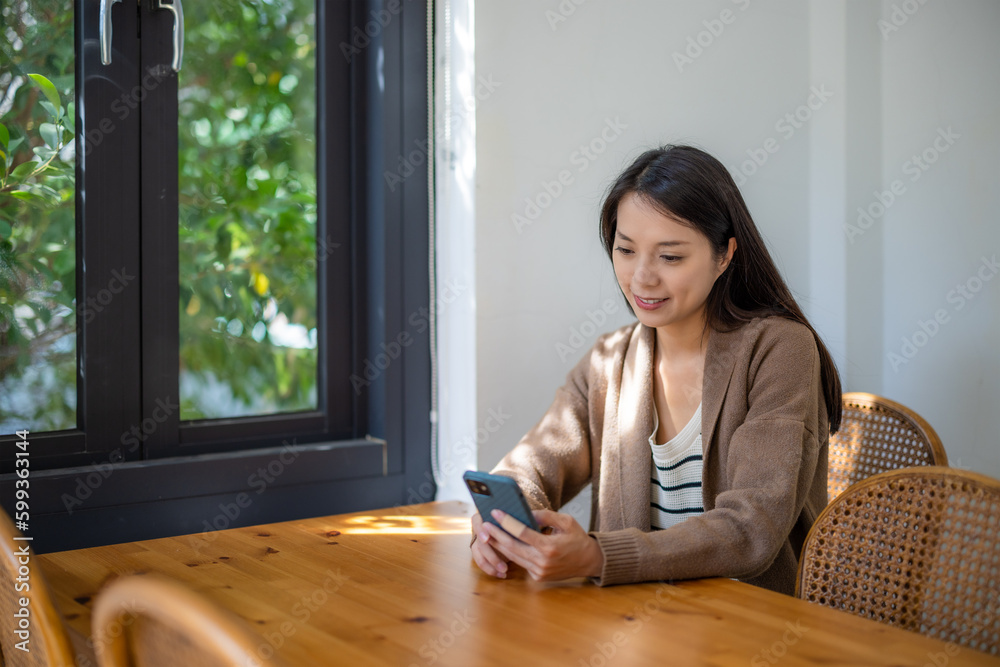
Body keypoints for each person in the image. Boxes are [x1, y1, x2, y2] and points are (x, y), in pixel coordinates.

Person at [470, 145, 842, 596]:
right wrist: (503, 524)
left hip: (755, 630)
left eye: (670, 257)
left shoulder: (779, 349)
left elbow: (752, 528)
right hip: (633, 626)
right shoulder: (610, 359)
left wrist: (599, 554)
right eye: (625, 249)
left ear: (724, 256)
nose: (642, 278)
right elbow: (530, 467)